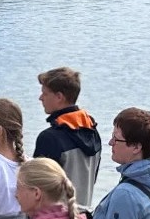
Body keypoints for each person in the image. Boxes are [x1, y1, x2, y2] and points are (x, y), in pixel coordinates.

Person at [33, 67, 103, 210]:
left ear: (59, 97)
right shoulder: (93, 132)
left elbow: (36, 188)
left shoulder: (50, 138)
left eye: (45, 93)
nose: (40, 98)